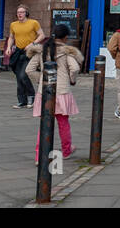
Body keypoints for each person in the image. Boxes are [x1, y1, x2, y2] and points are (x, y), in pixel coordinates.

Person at [27, 24, 83, 162]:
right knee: (63, 123)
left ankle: (39, 155)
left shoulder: (42, 50)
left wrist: (41, 80)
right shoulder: (66, 52)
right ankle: (66, 150)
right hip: (61, 91)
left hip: (44, 92)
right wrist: (72, 80)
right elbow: (75, 68)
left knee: (44, 123)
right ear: (65, 37)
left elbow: (29, 69)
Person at [3, 5, 43, 109]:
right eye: (18, 12)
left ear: (26, 13)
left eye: (22, 12)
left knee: (23, 75)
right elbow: (11, 37)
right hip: (18, 52)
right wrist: (8, 47)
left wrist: (32, 44)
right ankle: (22, 101)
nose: (20, 14)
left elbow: (42, 35)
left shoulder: (33, 23)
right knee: (18, 77)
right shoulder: (13, 24)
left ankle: (31, 96)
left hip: (30, 52)